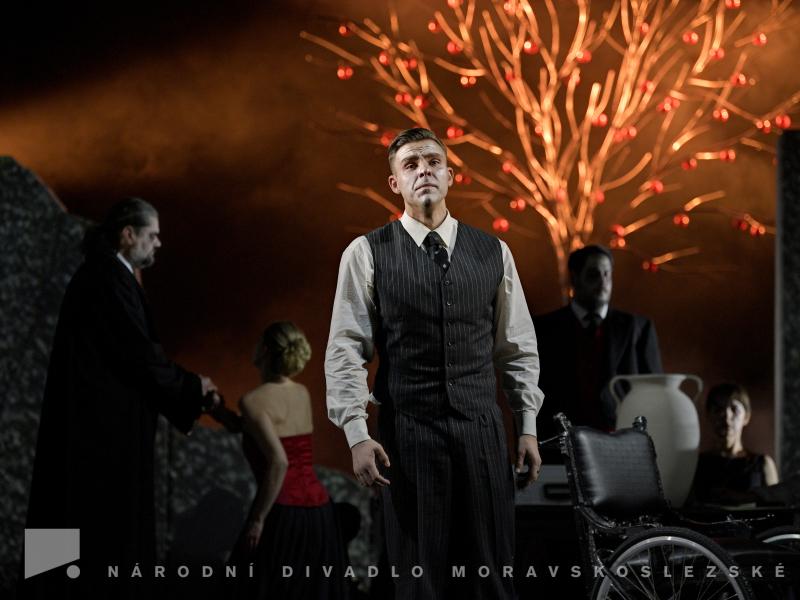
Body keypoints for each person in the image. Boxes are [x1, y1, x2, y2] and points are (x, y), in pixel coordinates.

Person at [325, 127, 544, 600]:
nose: (423, 169)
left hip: (482, 433)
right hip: (408, 437)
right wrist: (357, 434)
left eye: (432, 161)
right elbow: (345, 349)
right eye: (410, 164)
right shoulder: (366, 253)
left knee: (492, 578)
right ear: (395, 184)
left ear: (450, 176)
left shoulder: (494, 251)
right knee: (420, 581)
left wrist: (526, 426)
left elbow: (517, 347)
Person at [21, 197, 219, 599]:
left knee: (66, 520)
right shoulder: (108, 279)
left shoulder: (101, 275)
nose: (158, 243)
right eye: (152, 235)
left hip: (87, 432)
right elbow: (140, 355)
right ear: (128, 235)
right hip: (99, 439)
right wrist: (193, 387)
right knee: (97, 532)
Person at [225, 321, 349, 600]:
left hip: (283, 512)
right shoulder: (301, 393)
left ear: (264, 350)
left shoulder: (253, 401)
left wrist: (257, 519)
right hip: (320, 513)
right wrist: (222, 414)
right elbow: (259, 429)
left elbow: (279, 462)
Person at [534, 244, 662, 445]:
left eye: (607, 274)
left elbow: (654, 394)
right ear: (575, 278)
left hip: (624, 444)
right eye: (593, 274)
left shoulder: (638, 328)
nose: (603, 282)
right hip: (562, 445)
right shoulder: (544, 329)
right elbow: (530, 395)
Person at [691, 382, 779, 505]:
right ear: (708, 415)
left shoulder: (762, 464)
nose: (726, 417)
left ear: (746, 417)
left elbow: (776, 507)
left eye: (734, 409)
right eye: (718, 409)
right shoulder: (696, 464)